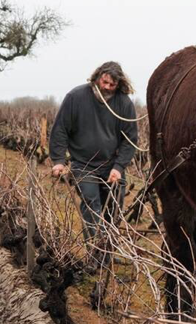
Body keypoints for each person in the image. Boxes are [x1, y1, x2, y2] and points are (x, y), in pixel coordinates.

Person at [49, 61, 139, 249]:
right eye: (104, 82)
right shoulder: (76, 97)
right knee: (92, 205)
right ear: (97, 77)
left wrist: (119, 167)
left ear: (118, 85)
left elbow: (130, 139)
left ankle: (107, 252)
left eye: (111, 85)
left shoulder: (123, 103)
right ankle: (96, 251)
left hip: (111, 165)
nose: (106, 87)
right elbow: (60, 130)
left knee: (113, 211)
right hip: (83, 164)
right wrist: (58, 161)